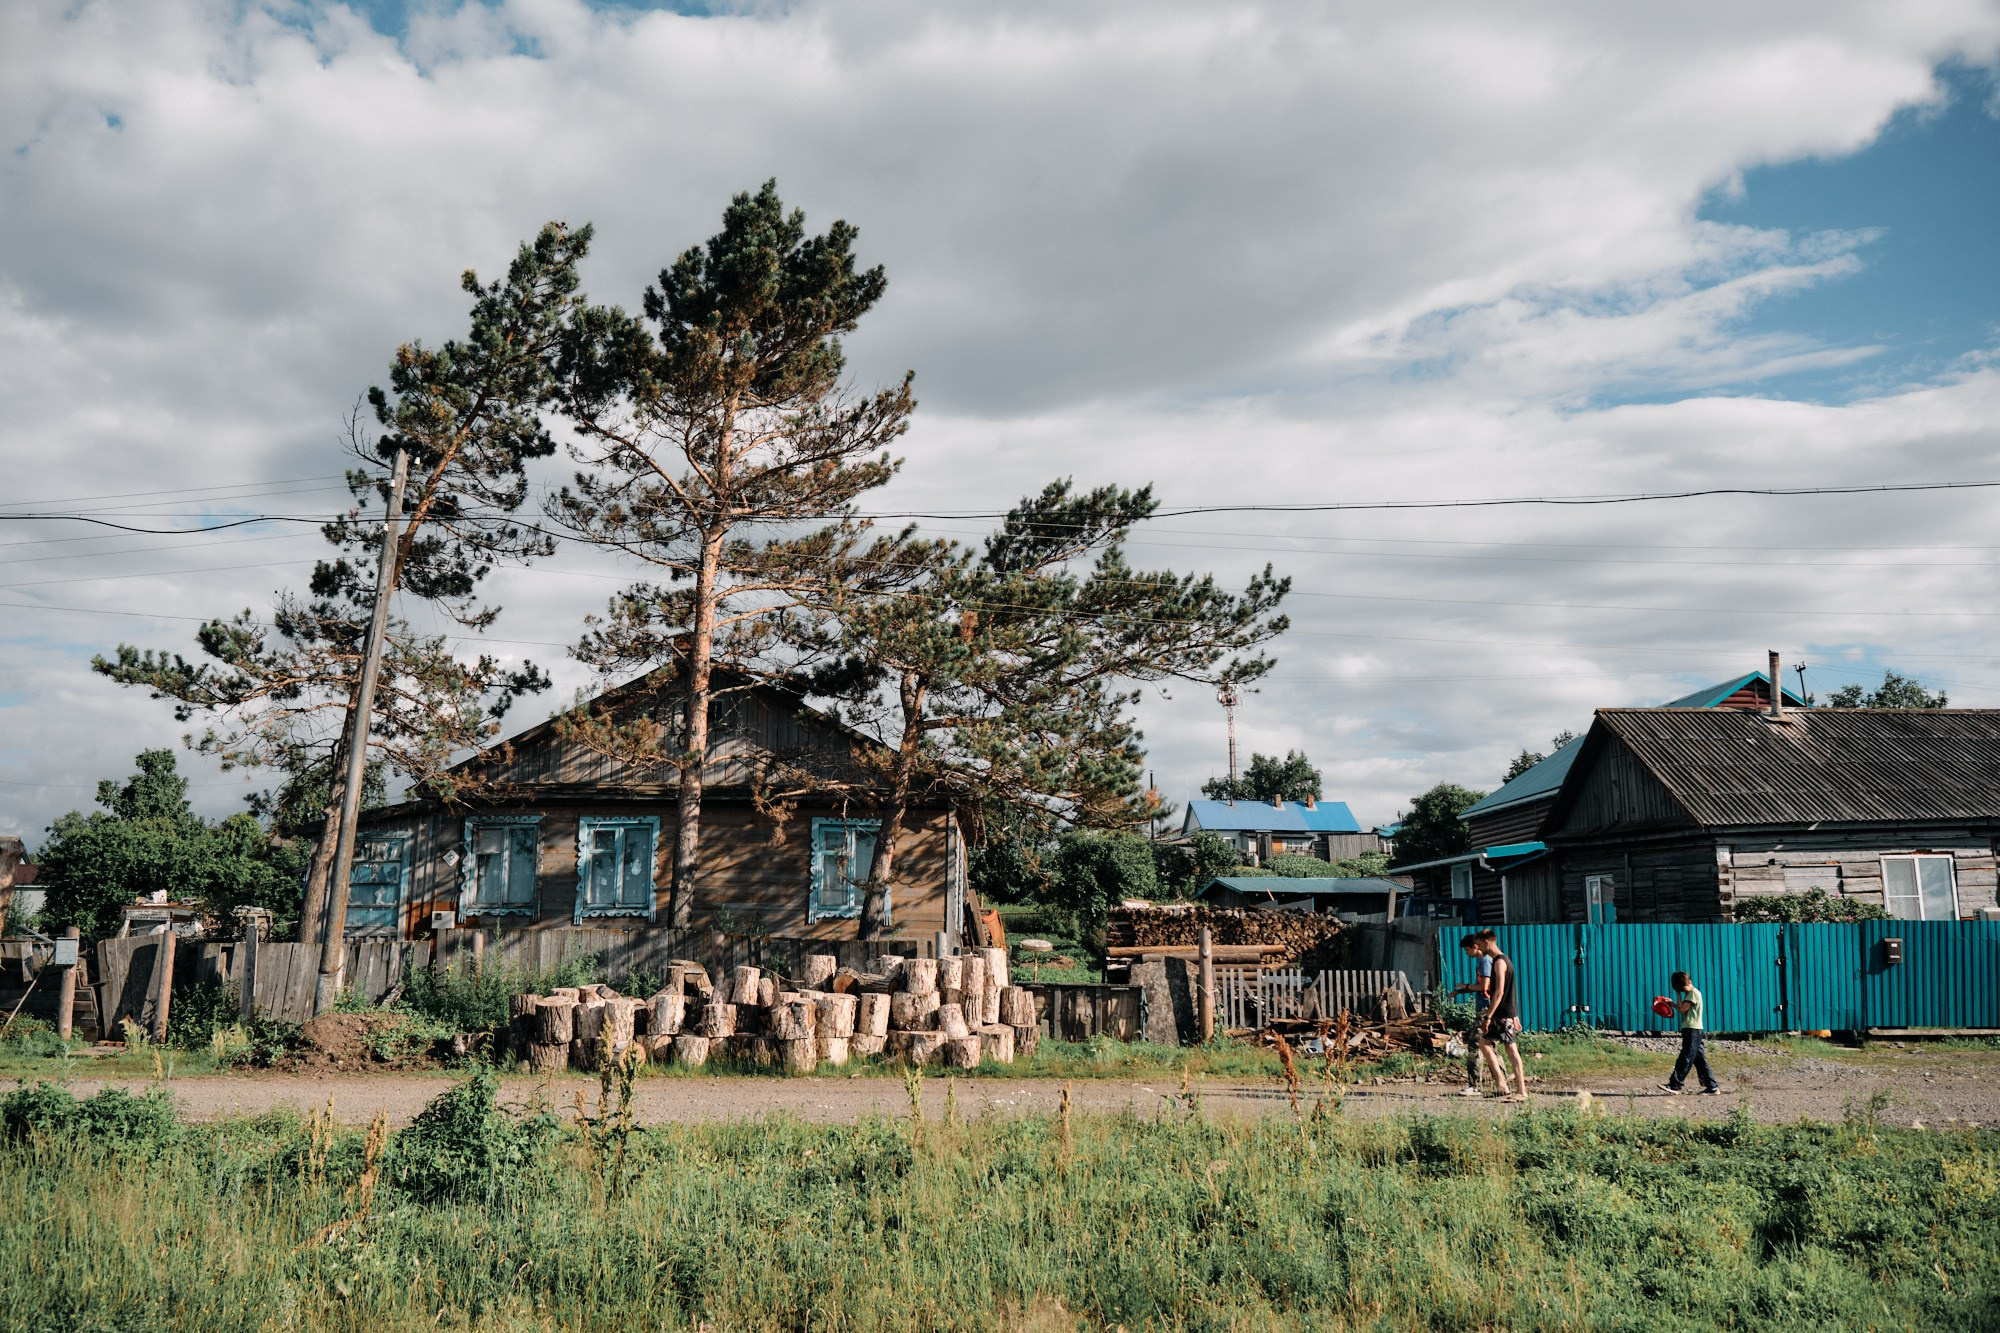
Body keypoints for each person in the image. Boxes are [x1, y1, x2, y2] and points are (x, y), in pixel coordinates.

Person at [1476, 932, 1529, 1103]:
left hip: (1502, 1014)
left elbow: (1499, 992)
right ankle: (1502, 1086)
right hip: (1505, 1013)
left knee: (1511, 1050)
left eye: (1479, 945)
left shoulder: (1499, 962)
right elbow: (1511, 990)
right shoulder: (1503, 961)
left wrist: (1488, 1016)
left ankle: (1521, 1091)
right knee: (1484, 1043)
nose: (1478, 949)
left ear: (1486, 943)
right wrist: (1515, 1014)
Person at [1659, 970, 1720, 1095]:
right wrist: (1672, 1003)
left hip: (1693, 1029)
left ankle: (1675, 1084)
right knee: (1699, 1059)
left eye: (1682, 987)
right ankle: (1712, 1086)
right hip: (1692, 1029)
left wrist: (1676, 995)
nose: (1684, 989)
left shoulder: (1693, 993)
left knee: (1686, 1057)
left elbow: (1682, 1009)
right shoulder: (1691, 993)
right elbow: (1683, 1009)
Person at [1450, 931, 1494, 1097]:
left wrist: (1466, 986)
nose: (1467, 954)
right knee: (1489, 1045)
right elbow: (1480, 986)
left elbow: (1484, 987)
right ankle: (1501, 1081)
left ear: (1476, 947)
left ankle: (1474, 1085)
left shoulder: (1484, 961)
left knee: (1475, 1044)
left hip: (1485, 1009)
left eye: (1467, 950)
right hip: (1486, 1008)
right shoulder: (1483, 962)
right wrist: (1461, 992)